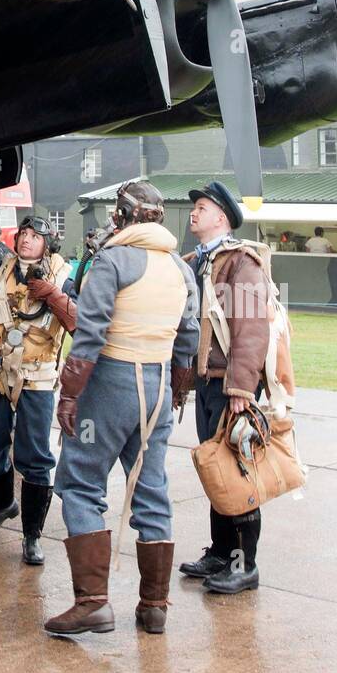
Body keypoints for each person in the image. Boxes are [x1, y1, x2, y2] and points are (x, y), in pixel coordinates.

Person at [44, 182, 198, 637]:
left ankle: (92, 603)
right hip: (158, 386)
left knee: (80, 483)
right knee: (151, 489)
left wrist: (69, 393)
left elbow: (89, 334)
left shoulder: (113, 259)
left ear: (124, 215)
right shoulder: (178, 267)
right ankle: (154, 607)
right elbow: (187, 339)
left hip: (109, 382)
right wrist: (176, 390)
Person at [0, 216, 77, 565]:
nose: (27, 240)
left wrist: (54, 295)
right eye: (24, 235)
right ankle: (3, 504)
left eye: (35, 236)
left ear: (49, 242)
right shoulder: (1, 273)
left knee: (34, 459)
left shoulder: (63, 276)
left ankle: (32, 536)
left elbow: (78, 321)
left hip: (37, 377)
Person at [179, 180, 270, 594]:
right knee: (215, 469)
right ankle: (219, 552)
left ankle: (244, 564)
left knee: (238, 474)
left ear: (221, 217)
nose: (193, 213)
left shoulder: (240, 262)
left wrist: (240, 389)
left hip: (228, 386)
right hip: (207, 383)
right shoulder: (195, 261)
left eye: (201, 207)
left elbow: (251, 329)